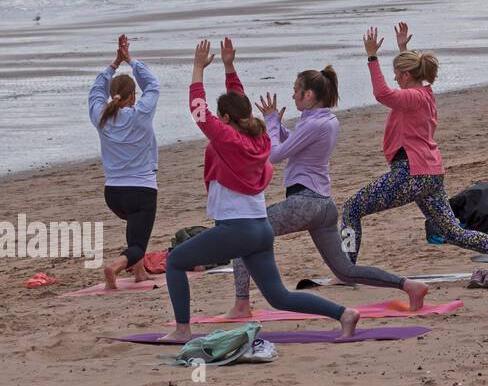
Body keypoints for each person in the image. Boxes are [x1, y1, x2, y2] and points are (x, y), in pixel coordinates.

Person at [162, 38, 359, 343]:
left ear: (226, 121)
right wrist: (229, 68)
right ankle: (344, 314)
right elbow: (240, 104)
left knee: (174, 261)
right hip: (260, 230)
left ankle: (182, 330)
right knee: (279, 297)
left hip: (236, 229)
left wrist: (198, 69)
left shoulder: (229, 140)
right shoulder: (260, 138)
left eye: (221, 118)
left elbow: (199, 112)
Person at [224, 57, 429, 320]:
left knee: (244, 234)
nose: (293, 95)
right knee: (345, 271)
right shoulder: (325, 119)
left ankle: (241, 304)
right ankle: (409, 286)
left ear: (309, 94)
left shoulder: (313, 123)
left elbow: (274, 156)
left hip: (306, 203)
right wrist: (278, 126)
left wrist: (271, 123)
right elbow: (297, 145)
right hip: (323, 206)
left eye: (296, 90)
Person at [341, 25, 488, 276]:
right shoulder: (423, 94)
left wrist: (372, 57)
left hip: (411, 173)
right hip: (430, 174)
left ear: (406, 75)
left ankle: (344, 270)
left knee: (351, 208)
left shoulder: (415, 98)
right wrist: (402, 49)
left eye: (397, 74)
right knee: (452, 232)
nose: (395, 78)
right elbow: (407, 81)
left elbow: (382, 93)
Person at [89, 33, 160, 289]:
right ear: (132, 97)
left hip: (113, 194)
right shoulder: (141, 115)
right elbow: (153, 86)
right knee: (139, 244)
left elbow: (96, 91)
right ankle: (116, 267)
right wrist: (131, 61)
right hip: (141, 189)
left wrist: (114, 64)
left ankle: (140, 273)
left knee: (134, 223)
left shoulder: (101, 117)